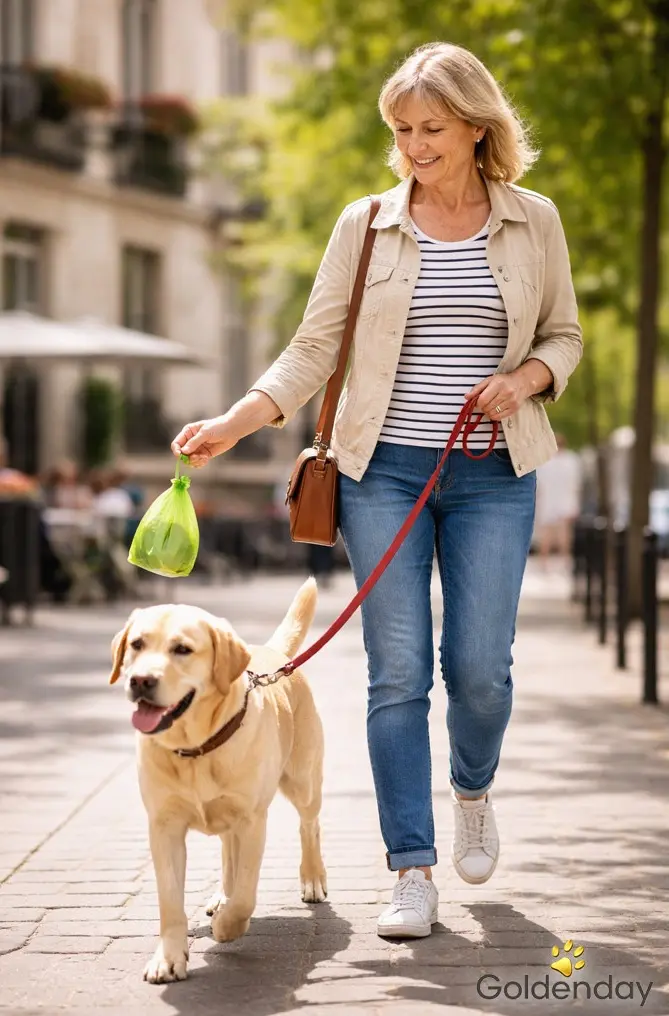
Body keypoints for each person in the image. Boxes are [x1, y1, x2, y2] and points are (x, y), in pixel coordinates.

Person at [171, 43, 582, 940]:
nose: (413, 146)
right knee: (396, 674)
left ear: (478, 126)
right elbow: (313, 347)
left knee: (478, 671)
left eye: (431, 129)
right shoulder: (365, 224)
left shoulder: (531, 221)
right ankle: (410, 869)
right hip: (380, 470)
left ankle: (471, 787)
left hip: (493, 473)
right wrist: (234, 423)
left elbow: (564, 334)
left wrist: (527, 381)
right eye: (400, 130)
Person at [535, 433, 582, 569]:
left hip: (548, 501)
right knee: (564, 533)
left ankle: (543, 562)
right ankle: (565, 561)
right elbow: (576, 484)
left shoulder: (544, 461)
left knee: (546, 534)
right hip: (565, 501)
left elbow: (539, 484)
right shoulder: (571, 461)